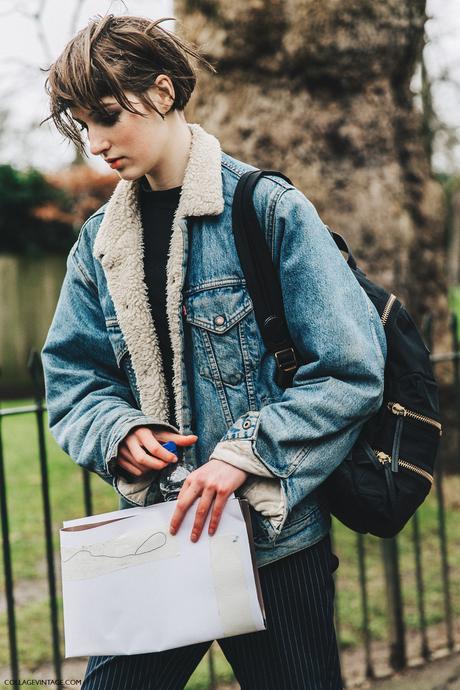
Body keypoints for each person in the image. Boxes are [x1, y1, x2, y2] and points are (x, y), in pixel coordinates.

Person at [42, 13, 386, 690]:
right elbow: (71, 377)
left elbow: (350, 369)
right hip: (158, 540)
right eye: (84, 126)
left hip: (276, 548)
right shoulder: (97, 244)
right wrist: (120, 431)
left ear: (164, 92)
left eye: (108, 115)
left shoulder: (268, 209)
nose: (97, 143)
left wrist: (245, 456)